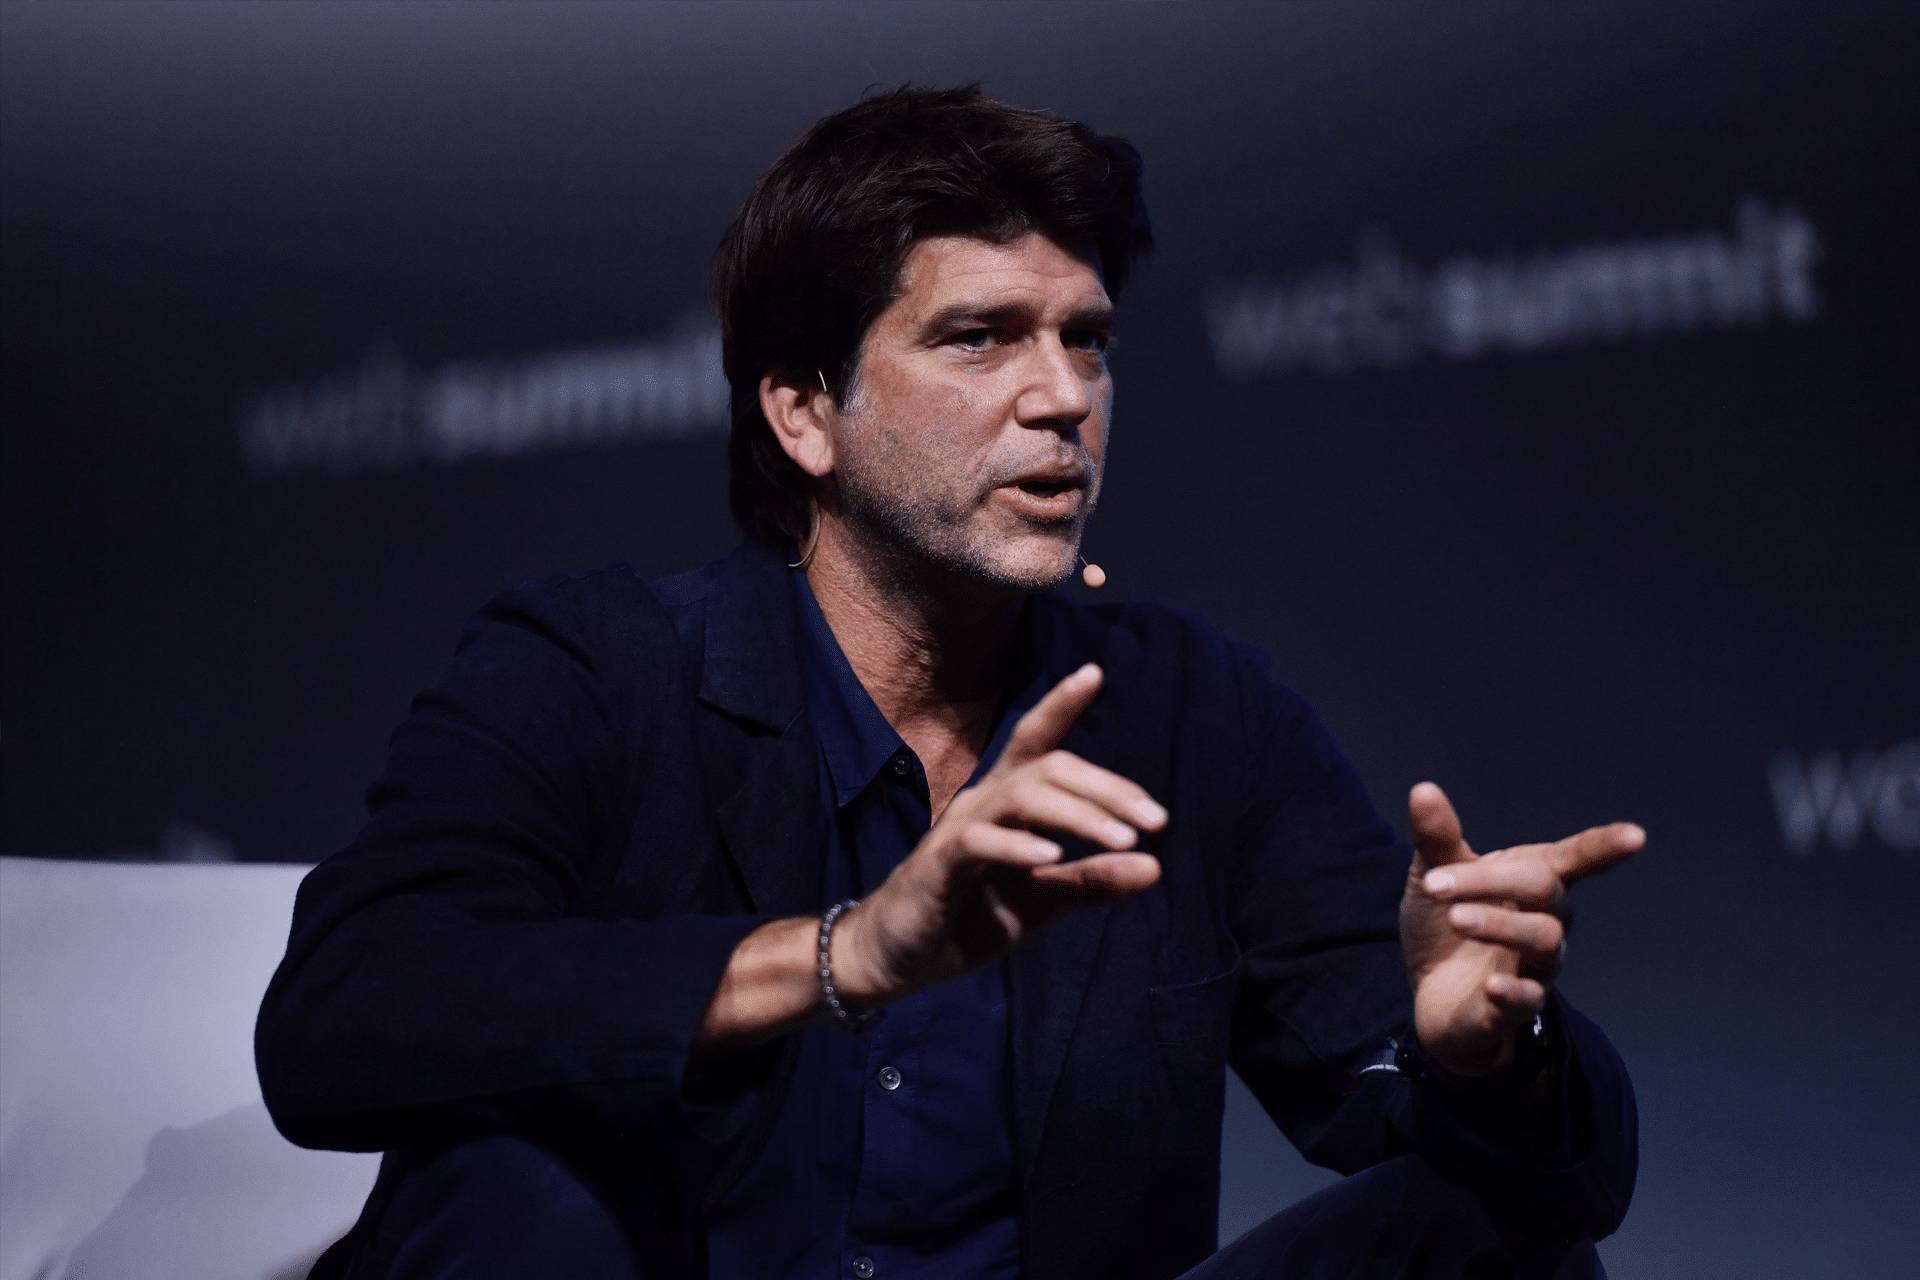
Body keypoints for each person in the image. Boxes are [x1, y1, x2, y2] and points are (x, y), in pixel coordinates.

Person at [257, 85, 1641, 1280]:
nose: (1063, 397)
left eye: (1086, 337)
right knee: (506, 1195)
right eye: (980, 336)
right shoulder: (597, 667)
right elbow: (346, 1014)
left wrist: (1486, 1055)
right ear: (805, 411)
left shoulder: (1190, 712)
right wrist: (841, 958)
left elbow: (1432, 1089)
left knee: (1489, 1229)